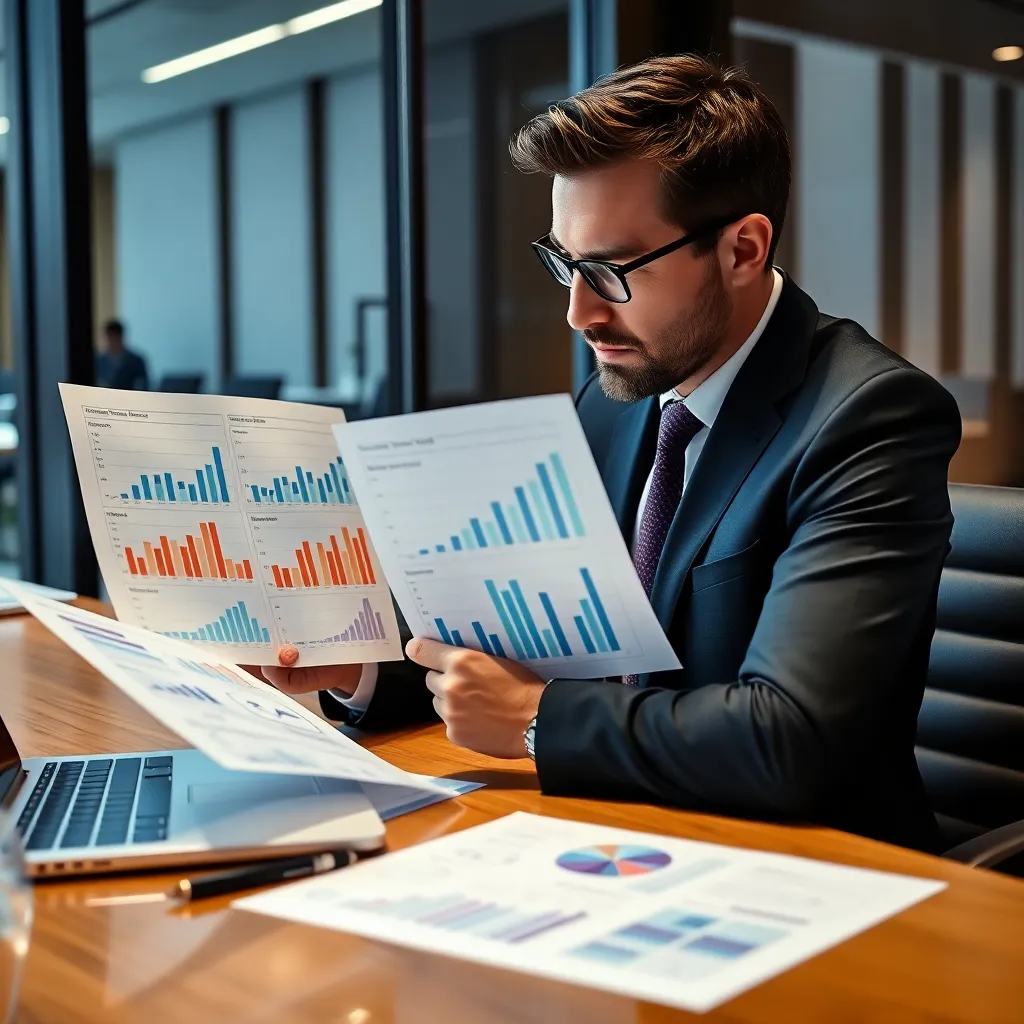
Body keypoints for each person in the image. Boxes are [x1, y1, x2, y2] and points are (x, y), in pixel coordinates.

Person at [263, 55, 961, 852]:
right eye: (565, 262)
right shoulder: (622, 391)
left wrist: (534, 717)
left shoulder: (869, 418)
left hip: (815, 868)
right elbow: (529, 636)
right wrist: (356, 669)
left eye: (608, 270)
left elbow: (791, 738)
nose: (577, 311)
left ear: (742, 249)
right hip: (621, 834)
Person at [96, 319, 149, 391]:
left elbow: (143, 385)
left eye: (114, 337)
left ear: (120, 337)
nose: (111, 341)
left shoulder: (136, 361)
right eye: (109, 337)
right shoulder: (99, 360)